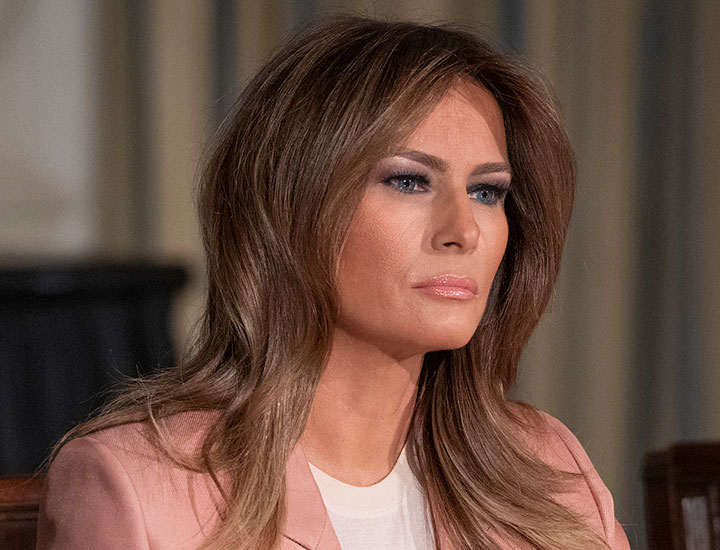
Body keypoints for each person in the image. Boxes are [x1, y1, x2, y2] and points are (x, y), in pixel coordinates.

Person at [37, 16, 630, 550]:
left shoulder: (548, 467)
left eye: (486, 192)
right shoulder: (133, 485)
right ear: (290, 207)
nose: (464, 232)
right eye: (408, 181)